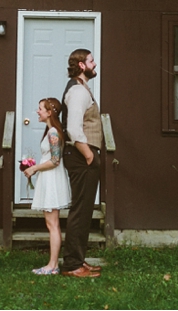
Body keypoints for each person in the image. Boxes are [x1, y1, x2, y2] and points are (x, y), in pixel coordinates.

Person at [60, 49, 104, 278]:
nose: (95, 63)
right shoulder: (78, 90)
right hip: (81, 156)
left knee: (85, 209)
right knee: (80, 209)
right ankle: (71, 265)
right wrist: (89, 155)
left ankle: (78, 259)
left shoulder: (82, 88)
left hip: (82, 155)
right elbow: (74, 129)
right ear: (81, 65)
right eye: (91, 60)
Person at [22, 97, 71, 275]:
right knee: (53, 224)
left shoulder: (53, 133)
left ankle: (53, 265)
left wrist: (34, 168)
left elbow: (55, 160)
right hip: (48, 177)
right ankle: (53, 264)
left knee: (52, 225)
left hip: (51, 180)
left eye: (40, 108)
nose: (37, 111)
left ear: (49, 113)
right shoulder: (51, 131)